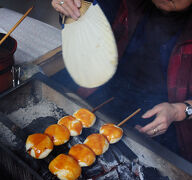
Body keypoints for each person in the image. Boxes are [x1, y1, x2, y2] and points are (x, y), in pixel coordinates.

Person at [51, 0, 192, 162]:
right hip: (107, 94)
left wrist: (180, 110)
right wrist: (67, 7)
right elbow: (81, 17)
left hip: (169, 121)